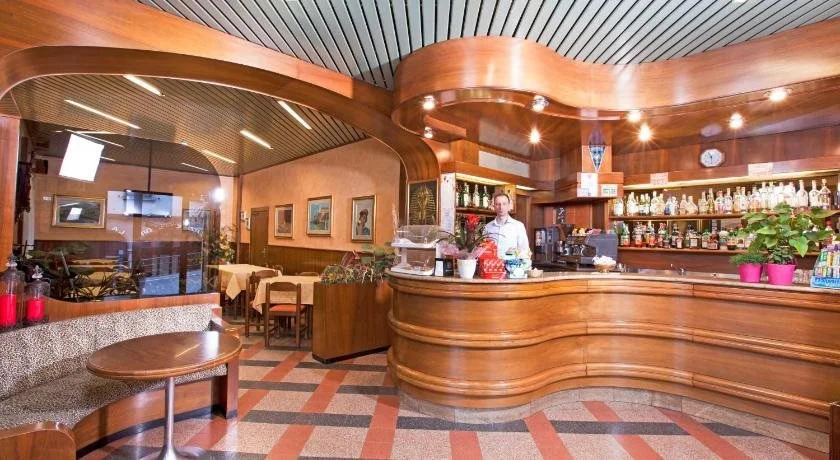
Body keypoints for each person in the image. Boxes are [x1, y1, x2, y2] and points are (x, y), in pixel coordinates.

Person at [483, 192, 530, 259]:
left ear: (509, 206)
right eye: (497, 204)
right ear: (494, 206)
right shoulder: (488, 227)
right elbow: (483, 249)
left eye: (504, 204)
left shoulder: (518, 226)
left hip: (512, 265)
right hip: (492, 264)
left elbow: (524, 251)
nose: (501, 207)